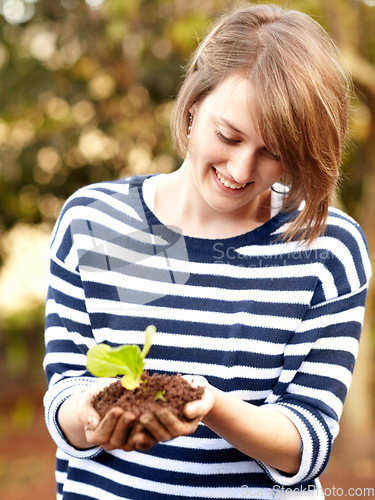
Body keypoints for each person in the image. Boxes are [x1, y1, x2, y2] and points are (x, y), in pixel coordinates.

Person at [43, 4, 371, 499]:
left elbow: (307, 441)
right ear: (194, 102)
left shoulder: (323, 248)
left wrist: (209, 405)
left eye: (274, 152)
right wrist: (89, 415)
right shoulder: (95, 225)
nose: (241, 170)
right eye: (229, 135)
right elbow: (65, 389)